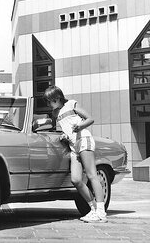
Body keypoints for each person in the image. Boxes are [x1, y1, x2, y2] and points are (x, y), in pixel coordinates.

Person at [43, 85, 107, 223]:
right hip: (73, 146)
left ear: (57, 98)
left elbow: (90, 118)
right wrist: (64, 136)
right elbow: (64, 130)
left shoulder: (72, 104)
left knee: (92, 175)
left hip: (83, 139)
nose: (48, 104)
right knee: (76, 180)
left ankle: (101, 212)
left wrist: (80, 126)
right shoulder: (55, 114)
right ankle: (93, 209)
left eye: (50, 101)